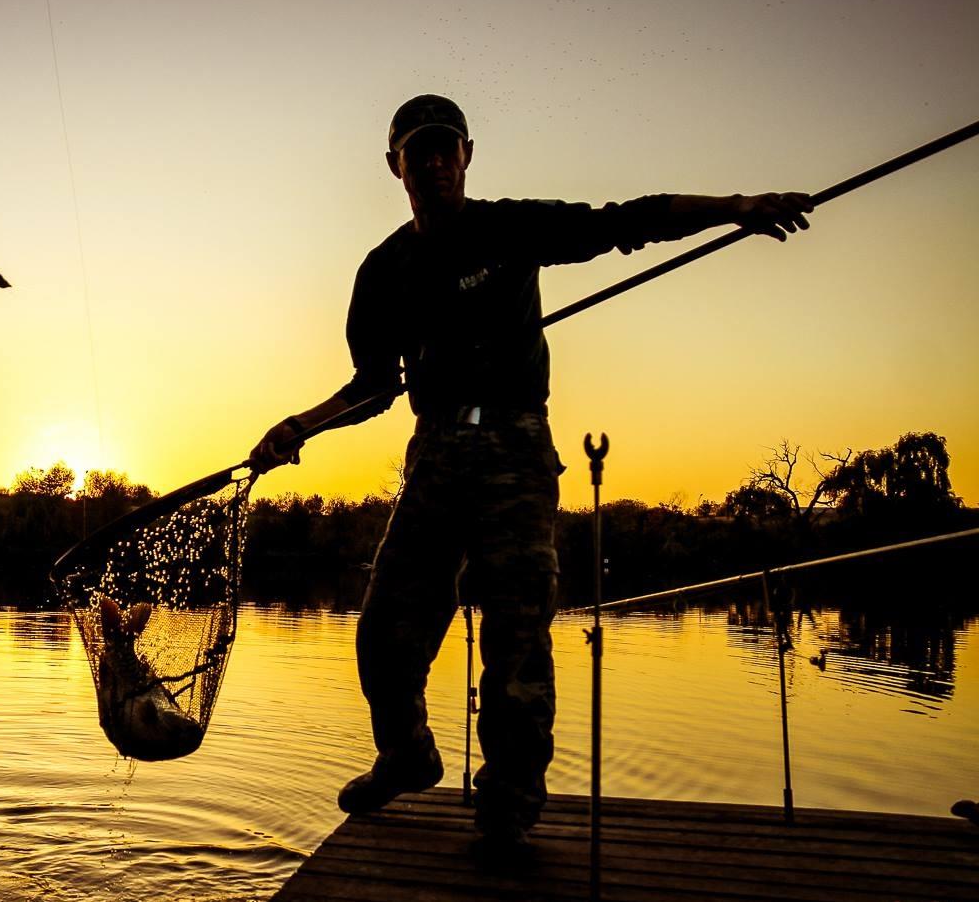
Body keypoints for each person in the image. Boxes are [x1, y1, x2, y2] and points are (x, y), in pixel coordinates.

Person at [249, 94, 812, 865]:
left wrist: (735, 207)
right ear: (395, 168)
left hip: (515, 452)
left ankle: (508, 812)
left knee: (516, 642)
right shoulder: (383, 272)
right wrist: (297, 426)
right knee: (384, 632)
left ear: (468, 155)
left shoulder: (510, 227)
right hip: (434, 456)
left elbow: (626, 220)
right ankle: (408, 756)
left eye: (447, 148)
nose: (435, 162)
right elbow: (375, 385)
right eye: (419, 152)